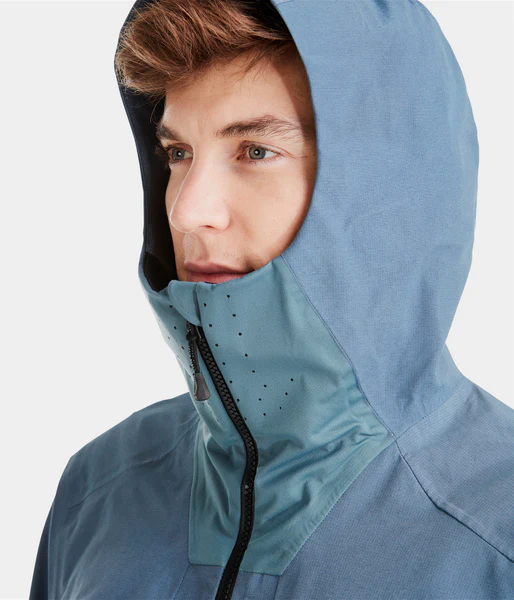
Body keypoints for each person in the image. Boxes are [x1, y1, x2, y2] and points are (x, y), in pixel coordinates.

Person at [29, 0, 514, 598]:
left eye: (255, 151)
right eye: (178, 153)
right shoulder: (99, 488)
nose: (186, 211)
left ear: (385, 189)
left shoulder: (497, 537)